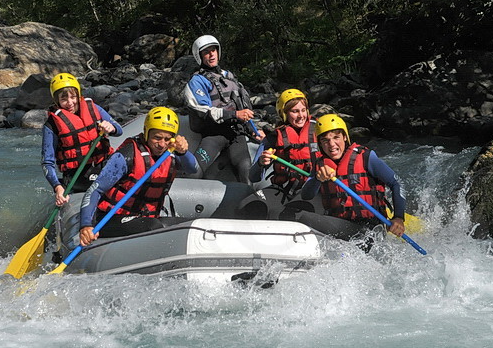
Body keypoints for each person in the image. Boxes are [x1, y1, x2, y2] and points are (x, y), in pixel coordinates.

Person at [78, 107, 198, 244]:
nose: (162, 144)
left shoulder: (171, 153)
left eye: (167, 139)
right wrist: (86, 225)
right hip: (110, 219)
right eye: (157, 138)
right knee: (153, 226)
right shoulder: (127, 155)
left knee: (193, 225)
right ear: (146, 133)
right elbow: (96, 190)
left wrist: (183, 152)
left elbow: (193, 169)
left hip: (145, 218)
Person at [286, 113, 407, 243]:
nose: (331, 144)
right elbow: (306, 195)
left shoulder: (366, 157)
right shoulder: (320, 165)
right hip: (342, 225)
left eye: (336, 137)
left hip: (370, 228)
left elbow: (397, 183)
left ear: (345, 137)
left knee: (300, 217)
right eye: (325, 140)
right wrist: (317, 179)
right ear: (320, 143)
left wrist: (398, 217)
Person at [182, 34, 264, 183]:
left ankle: (250, 202)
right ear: (199, 56)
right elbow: (204, 111)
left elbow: (243, 108)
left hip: (236, 134)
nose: (211, 54)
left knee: (246, 171)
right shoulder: (196, 82)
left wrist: (254, 130)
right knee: (195, 172)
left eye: (213, 50)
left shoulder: (229, 77)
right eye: (206, 52)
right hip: (214, 134)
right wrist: (234, 114)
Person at [41, 72, 123, 206]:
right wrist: (57, 187)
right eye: (64, 99)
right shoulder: (51, 125)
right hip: (77, 178)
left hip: (103, 169)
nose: (70, 103)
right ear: (56, 101)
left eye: (73, 97)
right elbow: (47, 162)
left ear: (79, 95)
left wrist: (111, 128)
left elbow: (119, 130)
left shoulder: (94, 109)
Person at [249, 88, 319, 202]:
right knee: (247, 206)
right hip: (282, 189)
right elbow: (253, 177)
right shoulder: (273, 137)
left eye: (303, 110)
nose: (301, 115)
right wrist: (261, 163)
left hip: (312, 190)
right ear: (284, 113)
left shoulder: (319, 131)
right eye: (295, 111)